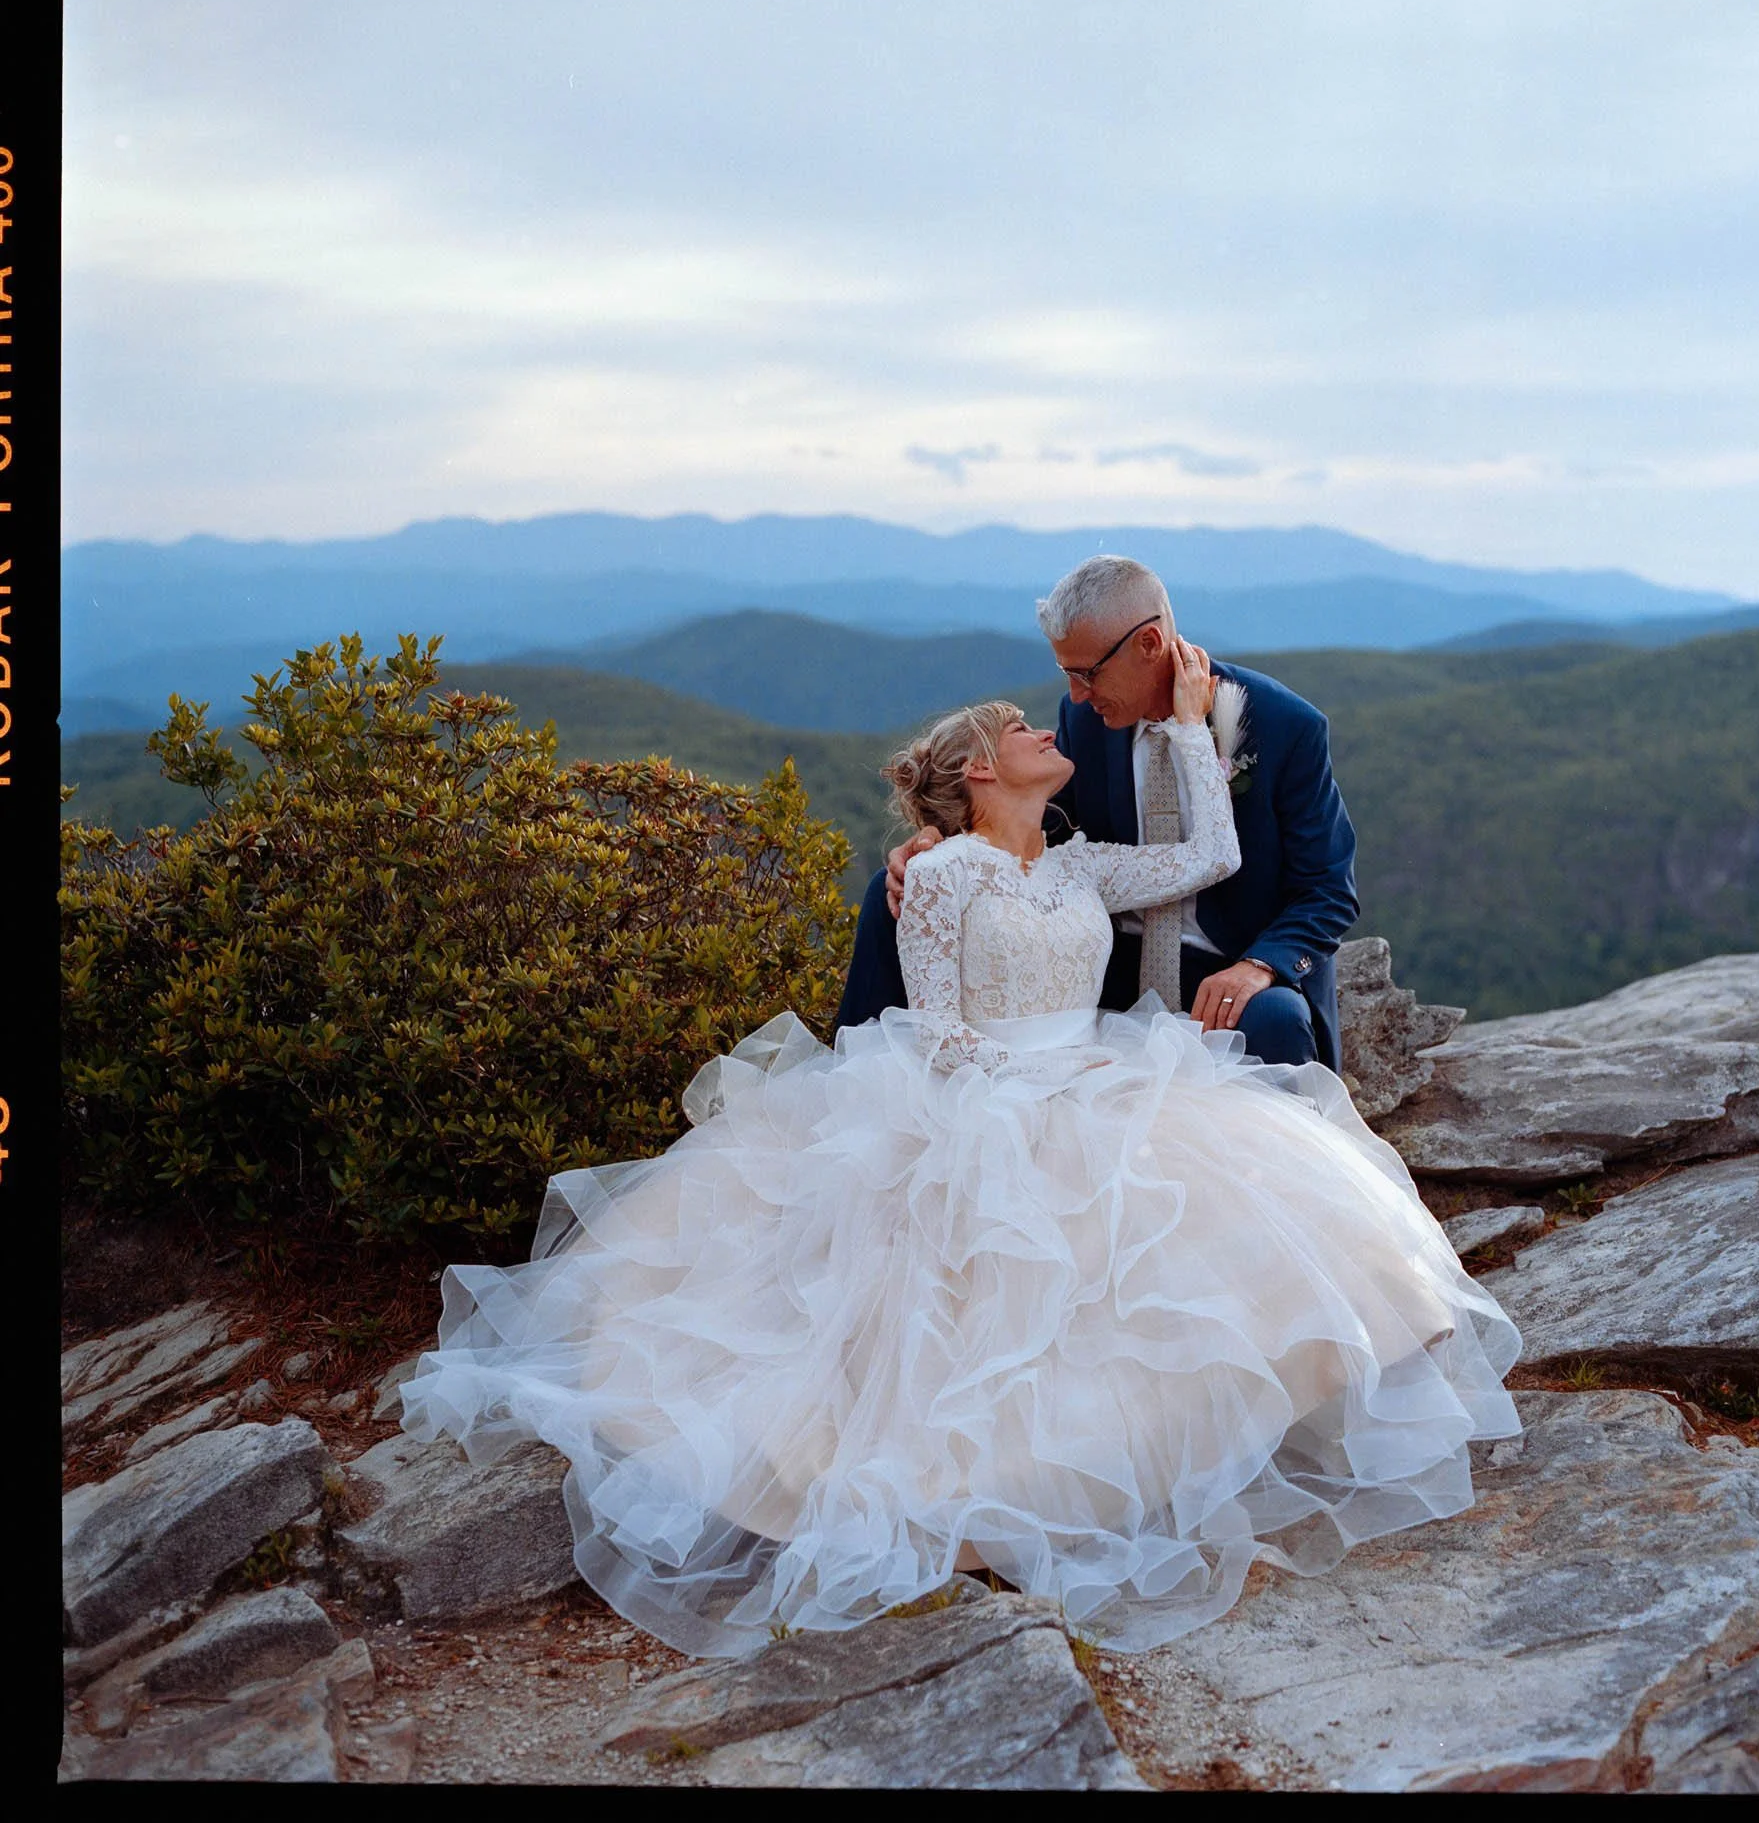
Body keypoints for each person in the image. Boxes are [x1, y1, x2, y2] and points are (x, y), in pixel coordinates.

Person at [401, 633, 1522, 1658]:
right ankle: (998, 1487)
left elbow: (1210, 853)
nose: (1048, 724)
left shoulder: (1080, 868)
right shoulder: (935, 877)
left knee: (1222, 1207)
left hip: (1090, 1067)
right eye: (1022, 728)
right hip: (980, 1096)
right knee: (970, 1309)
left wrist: (1188, 725)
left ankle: (1219, 1416)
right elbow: (935, 1027)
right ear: (982, 769)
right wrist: (1038, 1078)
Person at [835, 556, 1358, 1076]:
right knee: (896, 892)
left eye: (1086, 673)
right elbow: (1032, 829)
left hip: (1225, 963)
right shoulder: (1085, 718)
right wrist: (938, 835)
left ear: (1148, 644)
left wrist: (1258, 966)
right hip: (1104, 958)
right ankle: (856, 1081)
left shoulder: (1284, 725)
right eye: (1067, 674)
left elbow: (1328, 889)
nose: (1075, 694)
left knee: (1274, 1016)